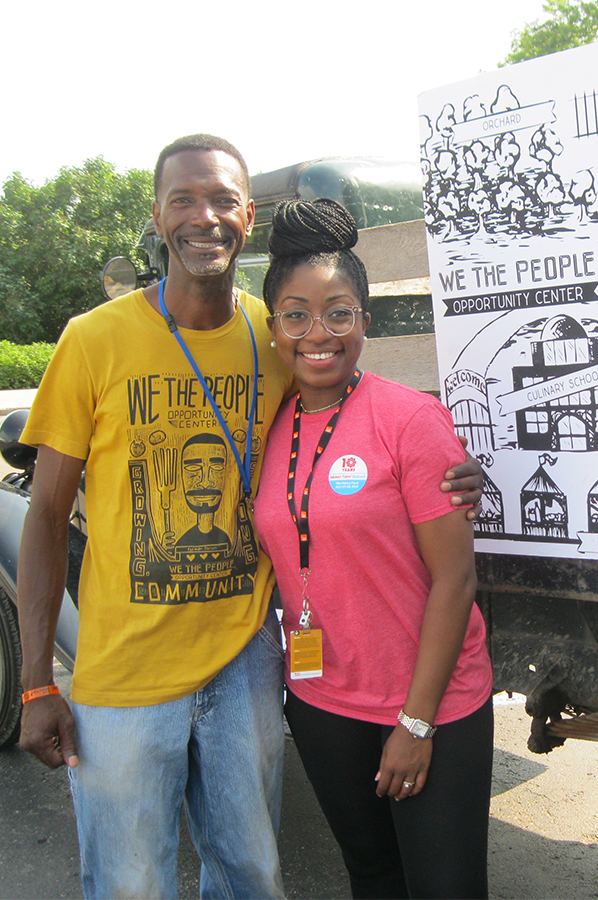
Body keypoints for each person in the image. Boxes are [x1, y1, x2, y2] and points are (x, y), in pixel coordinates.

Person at [16, 134, 484, 900]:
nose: (204, 217)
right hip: (127, 674)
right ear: (157, 217)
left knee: (252, 880)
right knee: (131, 883)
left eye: (223, 200)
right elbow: (44, 516)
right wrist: (36, 683)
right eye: (183, 200)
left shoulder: (272, 332)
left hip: (247, 666)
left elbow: (353, 421)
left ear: (247, 216)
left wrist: (455, 472)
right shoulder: (93, 341)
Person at [253, 198, 494, 900]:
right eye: (296, 315)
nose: (317, 334)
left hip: (429, 703)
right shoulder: (267, 426)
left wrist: (415, 723)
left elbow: (455, 580)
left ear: (365, 320)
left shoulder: (409, 420)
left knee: (446, 889)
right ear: (273, 328)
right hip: (321, 699)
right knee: (372, 877)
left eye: (339, 313)